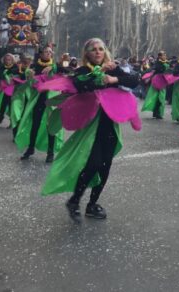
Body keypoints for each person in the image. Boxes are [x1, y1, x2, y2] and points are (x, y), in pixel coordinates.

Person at [42, 38, 140, 221]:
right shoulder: (83, 70)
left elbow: (135, 80)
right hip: (92, 126)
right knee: (93, 163)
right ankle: (74, 200)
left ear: (105, 51)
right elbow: (80, 84)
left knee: (105, 166)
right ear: (87, 53)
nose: (97, 52)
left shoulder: (112, 68)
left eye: (101, 49)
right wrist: (98, 75)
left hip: (109, 123)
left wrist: (114, 78)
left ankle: (92, 204)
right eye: (93, 49)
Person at [16, 46, 63, 162]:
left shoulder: (56, 66)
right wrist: (29, 75)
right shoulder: (34, 66)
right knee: (35, 124)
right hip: (38, 100)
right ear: (41, 54)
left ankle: (50, 152)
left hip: (51, 101)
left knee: (50, 126)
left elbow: (67, 71)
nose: (48, 53)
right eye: (46, 52)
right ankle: (31, 148)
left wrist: (53, 67)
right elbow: (27, 80)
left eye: (50, 52)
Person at [0, 53, 20, 127]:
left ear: (12, 60)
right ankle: (0, 119)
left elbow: (18, 77)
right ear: (4, 60)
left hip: (13, 90)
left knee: (11, 106)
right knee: (3, 105)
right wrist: (2, 75)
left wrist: (8, 75)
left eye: (9, 60)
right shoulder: (2, 67)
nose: (8, 61)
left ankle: (12, 122)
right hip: (4, 90)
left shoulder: (15, 67)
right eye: (6, 60)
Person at [141, 51, 170, 119]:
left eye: (165, 55)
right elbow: (152, 70)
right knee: (156, 97)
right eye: (163, 55)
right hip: (157, 81)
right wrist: (147, 77)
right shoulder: (157, 63)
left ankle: (159, 112)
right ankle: (156, 113)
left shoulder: (167, 63)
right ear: (159, 56)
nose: (164, 56)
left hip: (163, 82)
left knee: (161, 98)